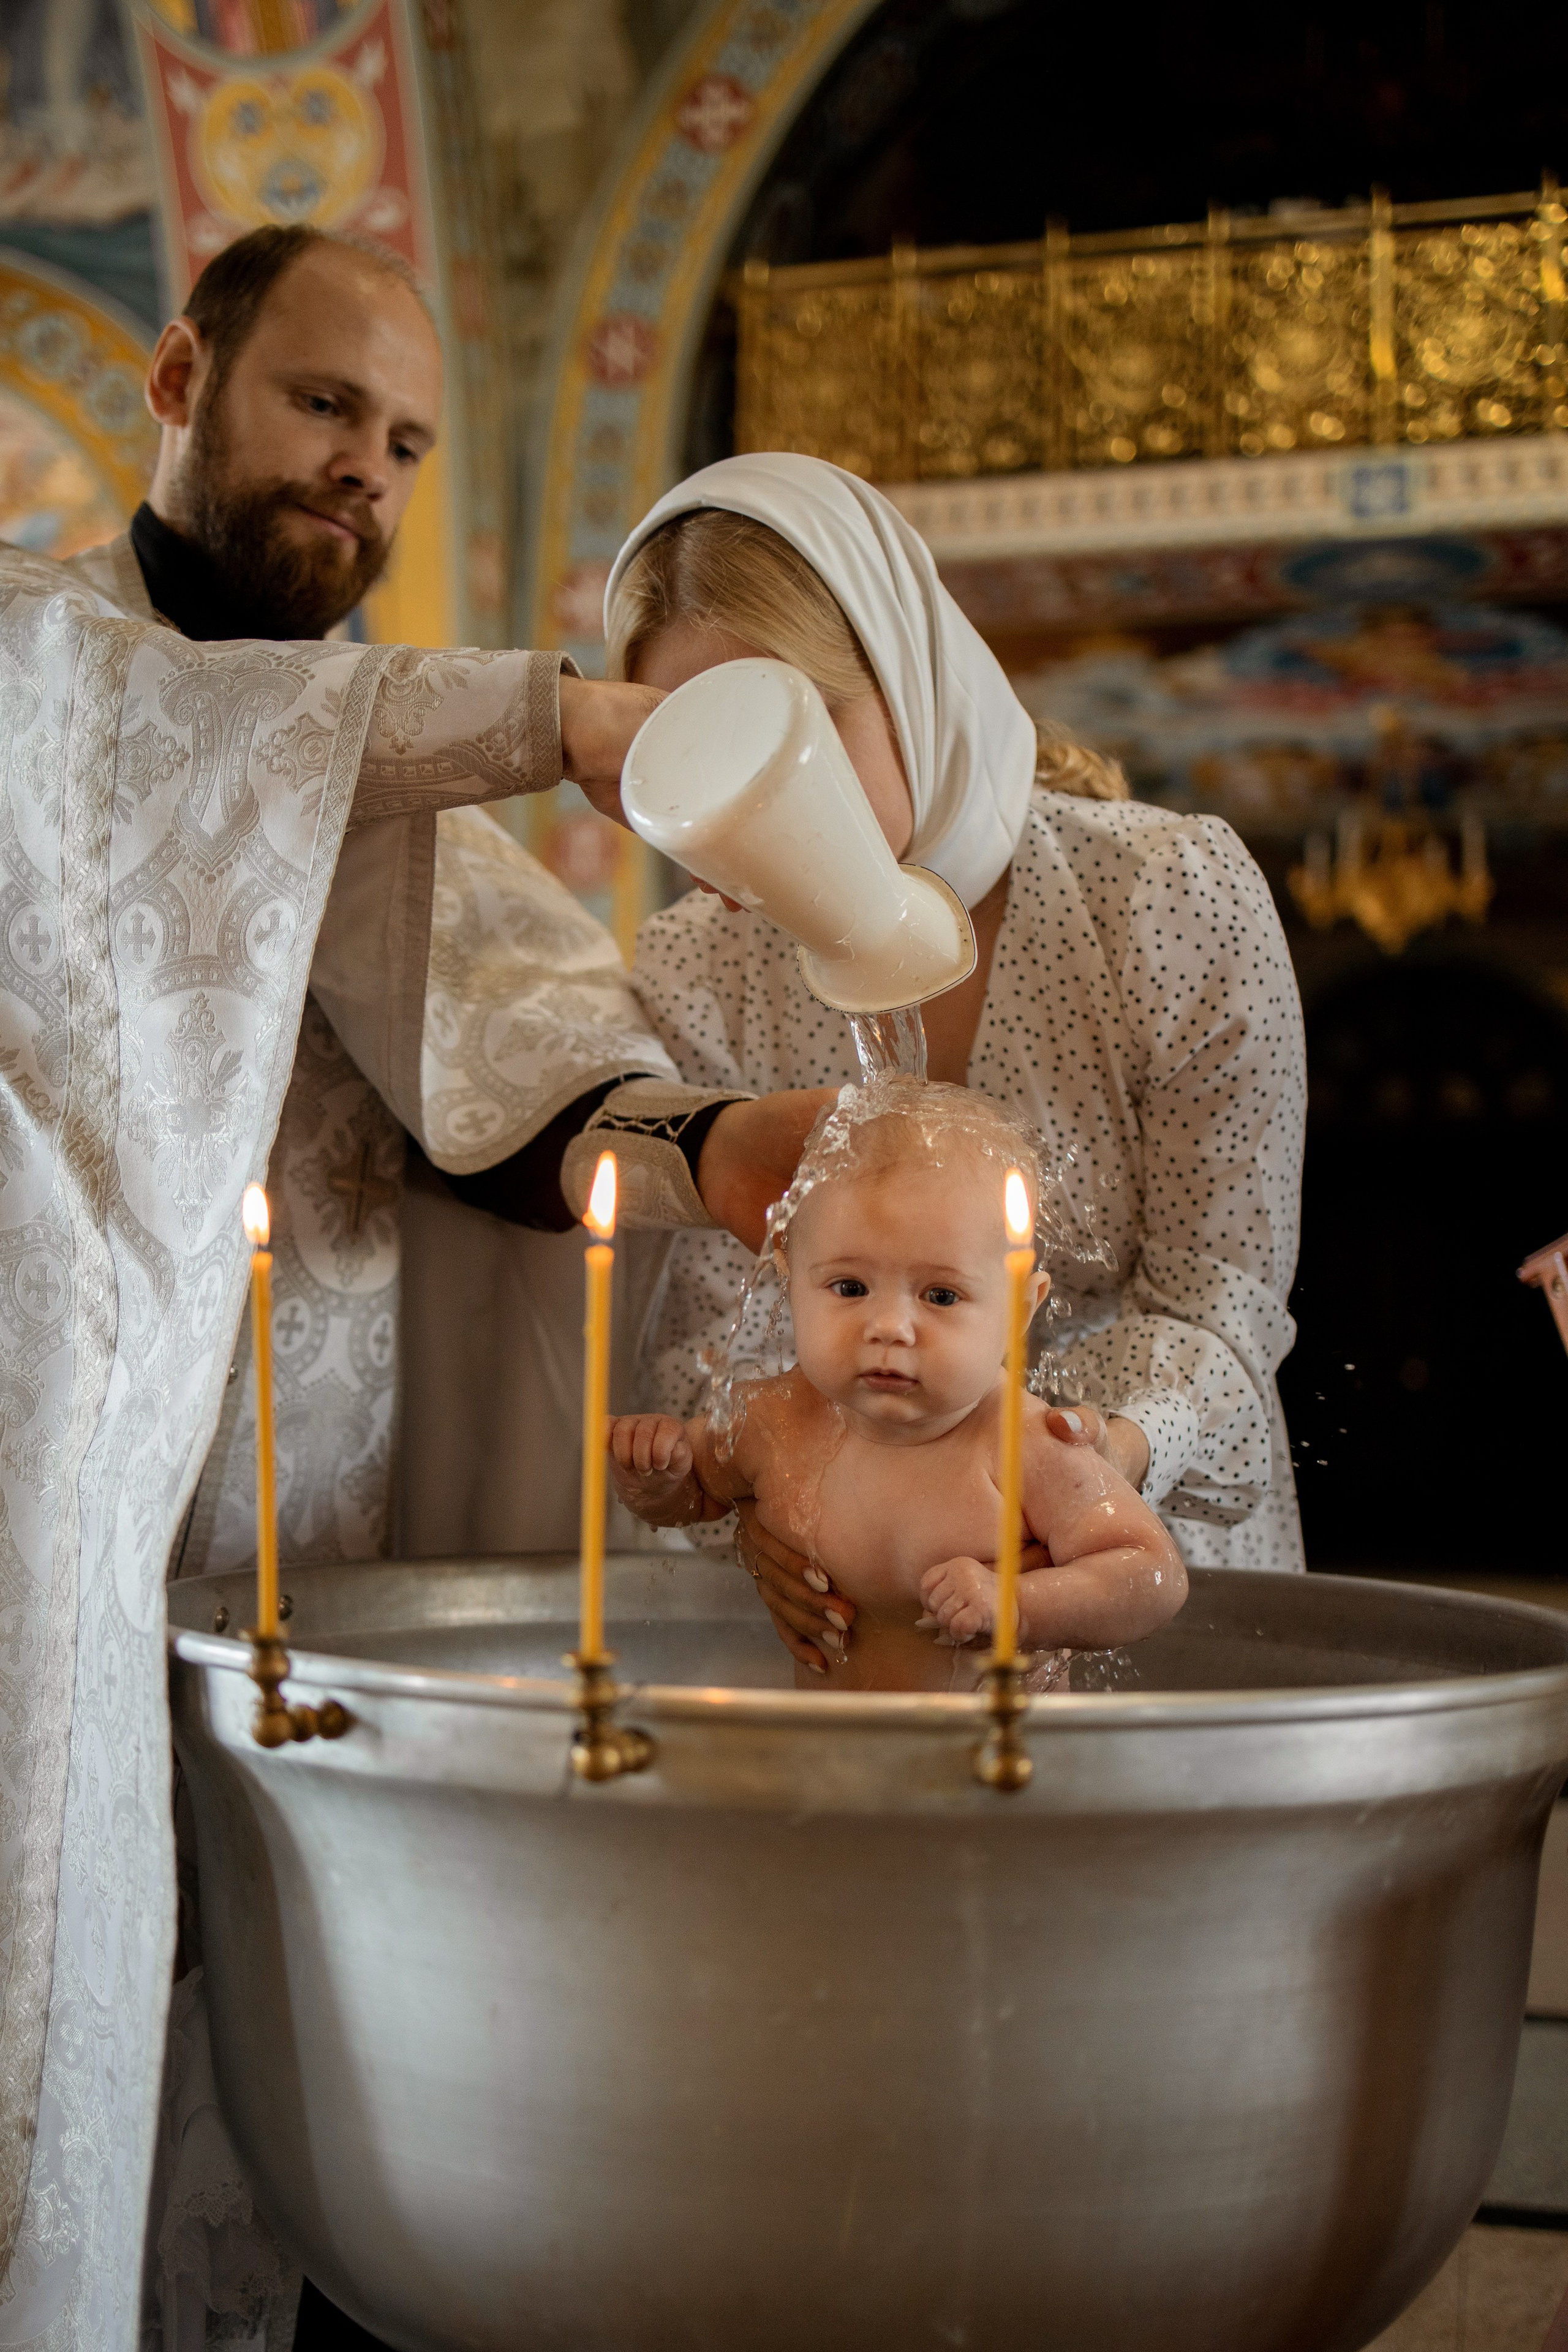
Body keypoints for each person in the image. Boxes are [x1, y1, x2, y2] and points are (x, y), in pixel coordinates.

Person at [0, 231, 824, 2345]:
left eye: (407, 446)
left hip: (308, 1503)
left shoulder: (360, 754)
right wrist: (564, 717)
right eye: (322, 408)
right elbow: (172, 743)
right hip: (52, 1491)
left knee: (274, 2044)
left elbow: (513, 1032)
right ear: (180, 374)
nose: (365, 473)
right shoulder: (44, 665)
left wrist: (710, 1145)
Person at [605, 453, 1306, 1673]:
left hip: (1133, 1561)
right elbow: (718, 1326)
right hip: (852, 1603)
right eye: (705, 764)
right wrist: (755, 1505)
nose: (755, 815)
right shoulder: (696, 967)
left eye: (797, 737)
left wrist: (1071, 1476)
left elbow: (1221, 1304)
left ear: (906, 675)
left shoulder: (1161, 897)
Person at [608, 1083, 1186, 1689]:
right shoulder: (773, 1420)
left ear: (1019, 1309)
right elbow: (692, 1500)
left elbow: (1150, 1576)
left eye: (940, 1295)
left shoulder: (1023, 1446)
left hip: (1001, 1769)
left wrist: (1019, 1607)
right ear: (788, 1273)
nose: (887, 1327)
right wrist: (658, 1472)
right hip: (839, 1770)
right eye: (849, 1287)